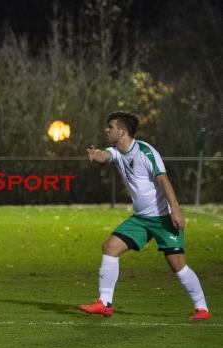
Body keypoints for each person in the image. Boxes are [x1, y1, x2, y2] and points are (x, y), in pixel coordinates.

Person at [78, 111, 211, 320]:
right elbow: (105, 156)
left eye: (110, 127)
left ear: (121, 131)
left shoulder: (146, 152)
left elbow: (164, 181)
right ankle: (104, 303)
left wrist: (175, 210)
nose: (106, 130)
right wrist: (96, 155)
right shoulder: (116, 151)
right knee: (110, 247)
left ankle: (202, 308)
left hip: (163, 218)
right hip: (140, 219)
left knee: (176, 263)